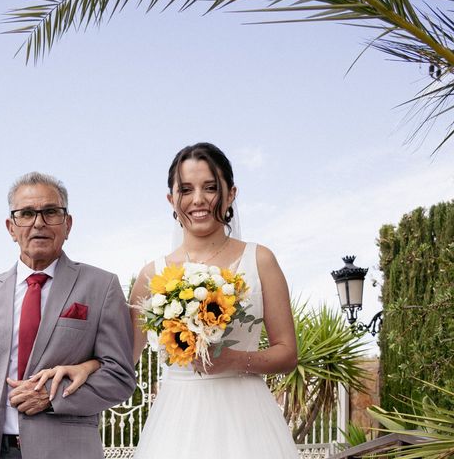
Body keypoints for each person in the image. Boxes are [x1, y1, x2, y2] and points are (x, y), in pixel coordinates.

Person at [36, 143, 299, 458]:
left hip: (248, 418)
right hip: (178, 419)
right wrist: (85, 367)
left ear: (231, 194)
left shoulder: (261, 260)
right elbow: (124, 354)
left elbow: (287, 354)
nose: (198, 199)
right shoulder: (153, 274)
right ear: (171, 200)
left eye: (210, 188)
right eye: (185, 189)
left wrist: (232, 361)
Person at [0, 172, 136, 459]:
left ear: (67, 225)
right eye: (27, 213)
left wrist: (52, 397)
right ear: (11, 227)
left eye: (51, 212)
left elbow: (119, 377)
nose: (38, 222)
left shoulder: (102, 286)